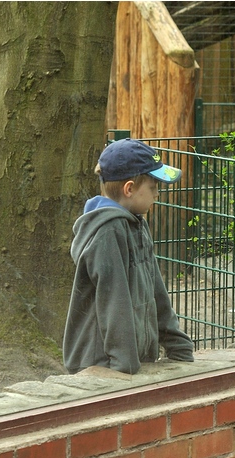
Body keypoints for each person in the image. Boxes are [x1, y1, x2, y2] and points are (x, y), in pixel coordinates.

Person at [63, 138, 194, 375]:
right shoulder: (107, 231)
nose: (157, 194)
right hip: (103, 365)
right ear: (130, 189)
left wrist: (179, 347)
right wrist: (126, 368)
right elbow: (114, 302)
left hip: (133, 361)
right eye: (153, 187)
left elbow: (156, 291)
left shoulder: (137, 223)